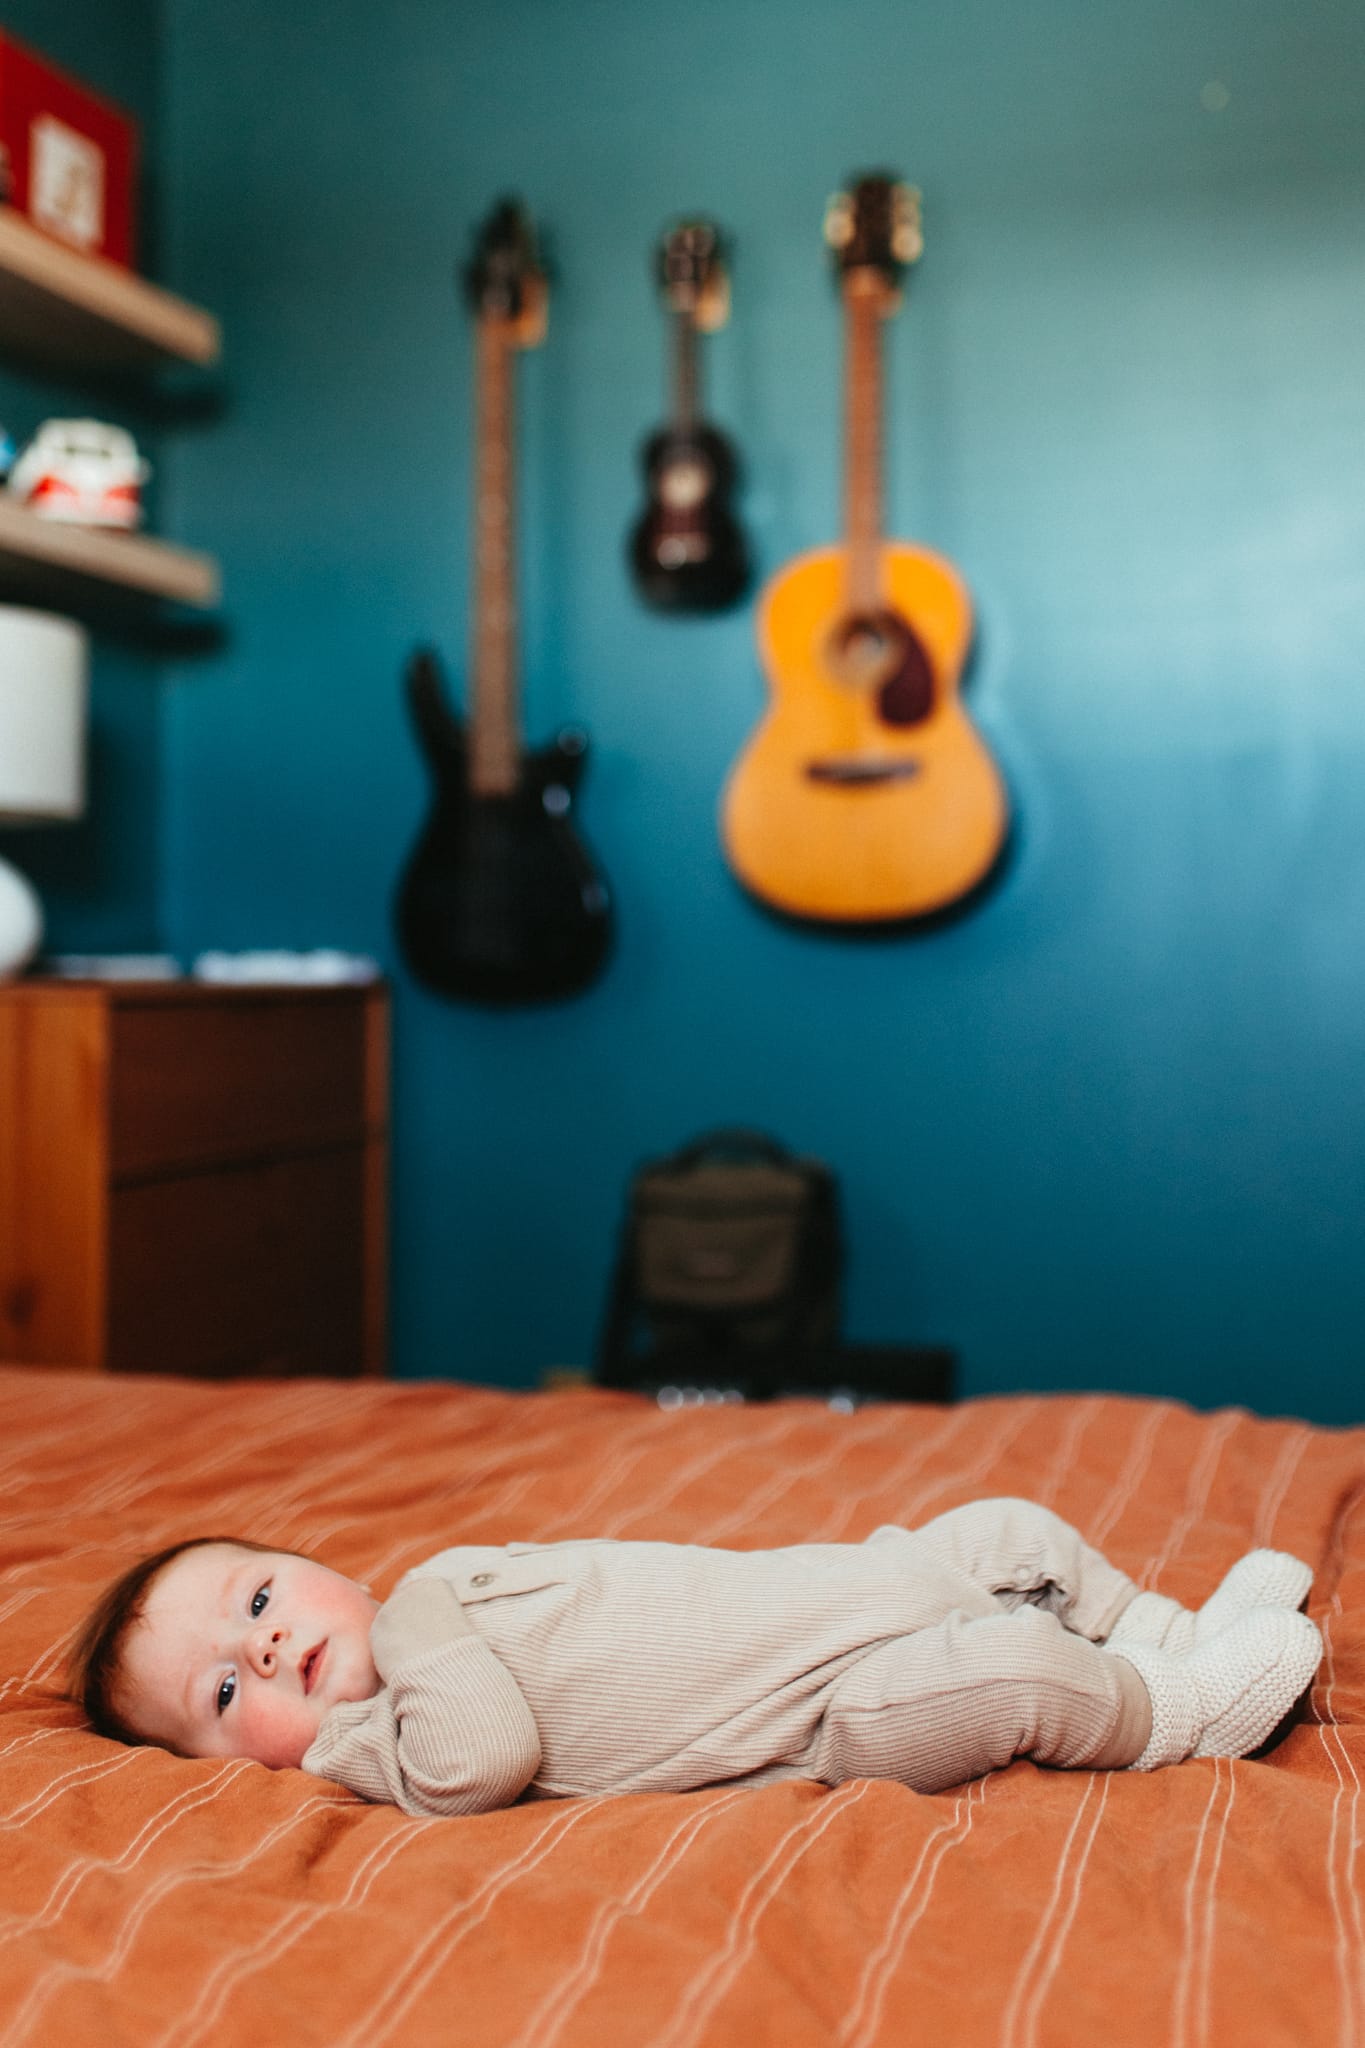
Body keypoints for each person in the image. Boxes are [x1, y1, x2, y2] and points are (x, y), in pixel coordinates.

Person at [69, 1498, 1322, 1819]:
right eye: (223, 1690)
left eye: (258, 1594)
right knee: (1012, 1672)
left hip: (847, 1582)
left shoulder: (437, 1576)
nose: (265, 1642)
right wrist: (416, 1626)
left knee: (1009, 1530)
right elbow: (489, 1753)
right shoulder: (371, 1744)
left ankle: (1164, 1627)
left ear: (312, 1562)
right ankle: (1177, 1705)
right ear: (225, 1762)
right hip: (835, 1710)